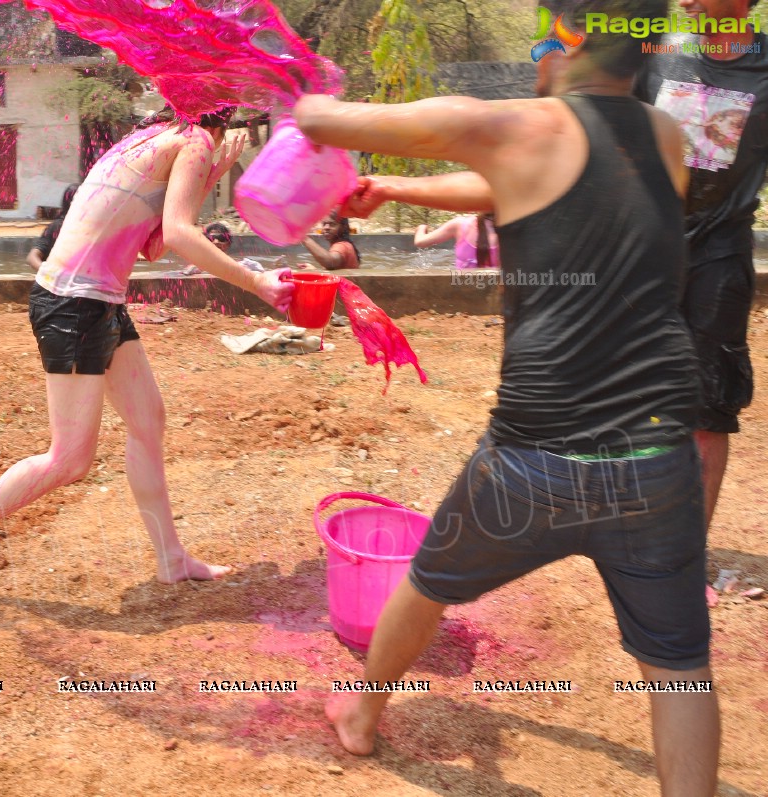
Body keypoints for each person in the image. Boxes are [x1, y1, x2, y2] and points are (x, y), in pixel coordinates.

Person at [294, 0, 719, 792]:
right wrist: (393, 188)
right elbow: (520, 180)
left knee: (426, 581)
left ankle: (359, 716)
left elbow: (325, 119)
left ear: (561, 37)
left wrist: (292, 83)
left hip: (533, 463)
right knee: (678, 670)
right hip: (658, 462)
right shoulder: (663, 139)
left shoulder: (513, 126)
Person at [0, 106, 294, 597]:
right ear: (221, 122)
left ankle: (171, 558)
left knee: (148, 420)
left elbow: (150, 246)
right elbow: (178, 235)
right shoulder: (193, 140)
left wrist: (210, 170)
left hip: (94, 299)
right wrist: (257, 281)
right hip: (74, 303)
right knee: (69, 459)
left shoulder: (151, 137)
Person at [633, 0, 768, 530]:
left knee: (708, 410)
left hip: (719, 258)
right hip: (646, 253)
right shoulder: (656, 53)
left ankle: (686, 552)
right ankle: (634, 532)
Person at [413, 213, 499, 269]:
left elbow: (420, 242)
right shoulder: (509, 232)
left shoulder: (460, 224)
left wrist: (421, 228)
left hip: (462, 289)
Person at [25, 183, 79, 272]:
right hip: (54, 282)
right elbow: (32, 257)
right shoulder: (57, 227)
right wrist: (50, 275)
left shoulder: (91, 230)